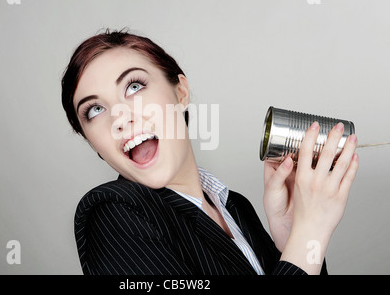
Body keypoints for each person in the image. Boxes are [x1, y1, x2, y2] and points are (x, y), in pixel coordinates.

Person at [61, 29, 359, 275]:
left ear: (180, 93)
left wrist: (292, 236)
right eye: (95, 110)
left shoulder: (236, 208)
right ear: (92, 142)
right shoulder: (111, 213)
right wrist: (310, 232)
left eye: (134, 86)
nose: (120, 119)